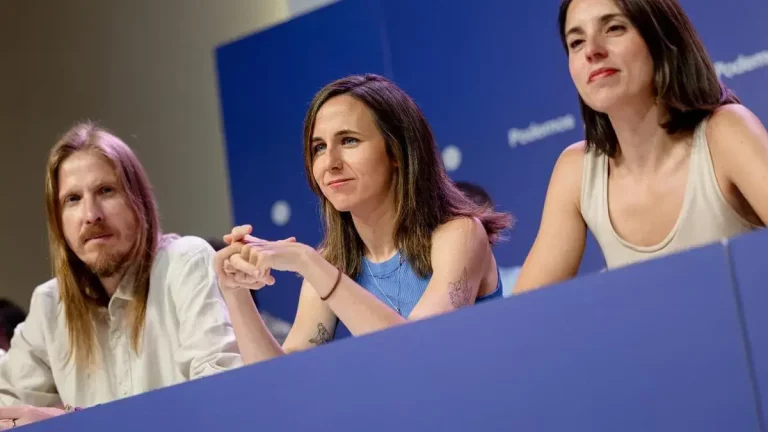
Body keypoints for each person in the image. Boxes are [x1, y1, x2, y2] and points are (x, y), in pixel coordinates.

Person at [214, 74, 513, 364]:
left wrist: (308, 262)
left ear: (397, 151)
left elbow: (420, 353)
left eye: (348, 141)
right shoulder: (331, 262)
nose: (330, 163)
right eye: (319, 148)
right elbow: (280, 381)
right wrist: (235, 292)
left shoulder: (459, 234)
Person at [514, 0, 768, 294]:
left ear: (660, 37)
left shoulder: (725, 133)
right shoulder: (577, 171)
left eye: (614, 28)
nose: (592, 51)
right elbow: (522, 312)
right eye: (576, 42)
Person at [0, 122, 242, 428]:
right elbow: (8, 405)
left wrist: (75, 422)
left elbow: (221, 395)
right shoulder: (50, 303)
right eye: (72, 199)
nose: (91, 215)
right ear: (58, 221)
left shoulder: (185, 262)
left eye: (106, 191)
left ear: (137, 200)